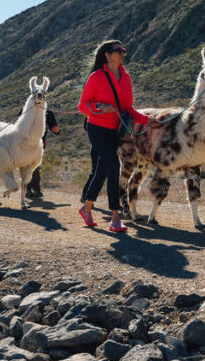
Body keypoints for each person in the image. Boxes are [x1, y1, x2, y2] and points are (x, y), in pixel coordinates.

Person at [77, 39, 156, 232]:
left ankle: (86, 208)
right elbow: (82, 106)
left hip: (116, 130)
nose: (122, 54)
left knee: (102, 171)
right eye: (118, 51)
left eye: (123, 51)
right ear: (107, 54)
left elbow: (128, 108)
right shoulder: (96, 77)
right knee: (114, 167)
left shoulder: (126, 77)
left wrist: (147, 120)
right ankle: (115, 217)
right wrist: (99, 107)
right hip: (97, 128)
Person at [24, 108, 59, 199]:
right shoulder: (26, 110)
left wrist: (57, 130)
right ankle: (31, 189)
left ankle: (33, 189)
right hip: (27, 143)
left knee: (35, 166)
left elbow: (54, 128)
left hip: (40, 144)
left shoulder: (48, 113)